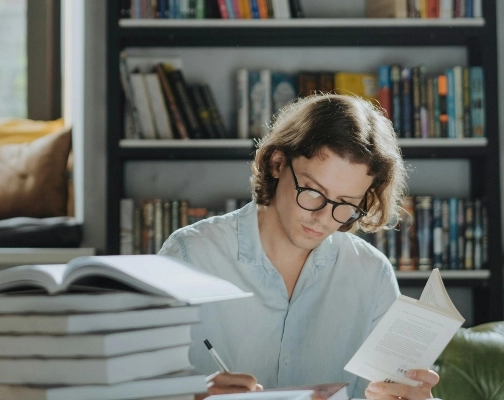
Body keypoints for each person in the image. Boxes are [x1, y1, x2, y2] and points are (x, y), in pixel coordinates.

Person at [158, 93, 439, 399]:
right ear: (277, 163)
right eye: (313, 191)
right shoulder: (189, 255)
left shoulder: (371, 275)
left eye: (345, 203)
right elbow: (133, 386)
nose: (321, 217)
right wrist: (189, 394)